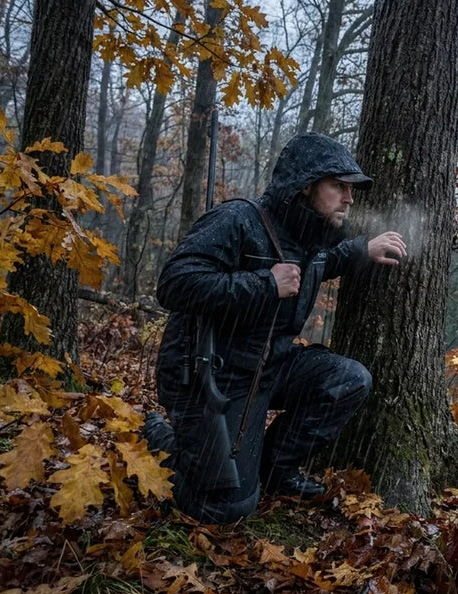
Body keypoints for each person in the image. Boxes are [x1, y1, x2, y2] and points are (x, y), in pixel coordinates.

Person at [143, 132, 406, 523]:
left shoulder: (310, 235)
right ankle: (159, 435)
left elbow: (319, 265)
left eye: (350, 189)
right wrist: (266, 283)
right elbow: (175, 283)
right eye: (339, 187)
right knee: (225, 508)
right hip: (212, 376)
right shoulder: (238, 219)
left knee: (349, 379)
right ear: (306, 186)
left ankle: (276, 469)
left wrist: (360, 251)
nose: (349, 199)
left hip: (270, 366)